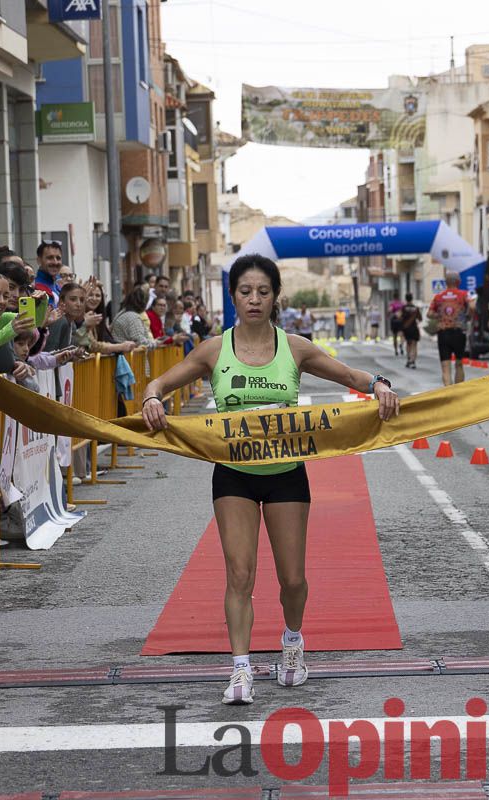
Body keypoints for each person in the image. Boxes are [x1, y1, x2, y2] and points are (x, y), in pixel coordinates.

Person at [140, 254, 398, 705]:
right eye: (245, 291)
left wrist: (378, 383)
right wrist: (151, 398)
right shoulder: (215, 350)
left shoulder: (294, 347)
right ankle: (240, 670)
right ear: (234, 296)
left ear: (276, 296)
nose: (254, 299)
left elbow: (348, 374)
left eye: (263, 291)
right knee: (239, 573)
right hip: (234, 476)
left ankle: (293, 643)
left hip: (286, 476)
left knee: (292, 578)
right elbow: (159, 382)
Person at [427, 272, 470, 385]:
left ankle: (448, 393)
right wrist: (467, 315)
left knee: (445, 366)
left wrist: (439, 315)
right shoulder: (463, 294)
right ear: (458, 282)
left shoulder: (438, 297)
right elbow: (473, 306)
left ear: (445, 283)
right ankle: (458, 392)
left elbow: (429, 313)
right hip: (458, 332)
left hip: (443, 333)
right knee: (459, 363)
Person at [399, 294, 421, 368]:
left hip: (406, 329)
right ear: (412, 299)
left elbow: (400, 318)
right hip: (414, 328)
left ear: (406, 299)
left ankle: (408, 359)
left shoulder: (403, 308)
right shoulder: (416, 308)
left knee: (408, 344)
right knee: (414, 345)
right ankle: (413, 361)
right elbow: (420, 319)